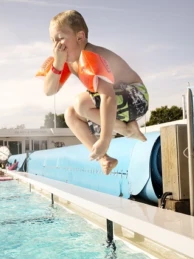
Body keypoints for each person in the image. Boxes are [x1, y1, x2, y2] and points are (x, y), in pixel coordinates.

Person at [43, 10, 149, 175]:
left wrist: (105, 140)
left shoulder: (92, 56)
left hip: (136, 97)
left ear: (80, 37)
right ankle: (105, 159)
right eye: (52, 41)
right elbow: (49, 90)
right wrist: (57, 63)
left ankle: (127, 130)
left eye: (60, 38)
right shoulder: (68, 61)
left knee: (81, 103)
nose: (57, 46)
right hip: (119, 105)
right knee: (70, 114)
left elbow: (108, 97)